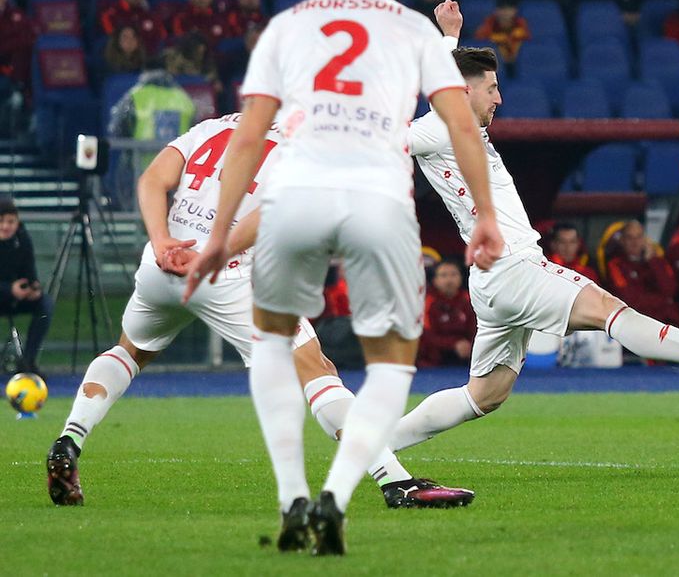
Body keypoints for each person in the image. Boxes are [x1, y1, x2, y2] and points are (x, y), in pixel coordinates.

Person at [184, 0, 504, 556]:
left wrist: (218, 239)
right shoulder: (407, 26)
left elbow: (247, 137)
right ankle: (352, 492)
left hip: (297, 197)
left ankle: (293, 499)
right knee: (388, 363)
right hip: (373, 199)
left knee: (282, 351)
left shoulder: (287, 29)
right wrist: (484, 216)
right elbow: (461, 124)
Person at [387, 4, 679, 490]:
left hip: (496, 279)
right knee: (607, 308)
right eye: (492, 88)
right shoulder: (437, 128)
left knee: (485, 395)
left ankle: (373, 445)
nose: (500, 97)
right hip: (514, 265)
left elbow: (445, 83)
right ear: (467, 90)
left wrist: (449, 38)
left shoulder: (458, 122)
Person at [45, 113, 462, 510]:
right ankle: (395, 481)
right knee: (315, 371)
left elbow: (152, 180)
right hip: (225, 274)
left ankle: (69, 438)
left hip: (163, 263)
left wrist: (161, 243)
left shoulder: (211, 128)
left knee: (129, 352)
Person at [0, 198, 52, 374]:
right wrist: (9, 289)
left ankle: (28, 360)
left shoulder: (22, 238)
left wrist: (32, 288)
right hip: (6, 293)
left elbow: (29, 271)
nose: (5, 227)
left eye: (10, 222)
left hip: (15, 298)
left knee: (45, 304)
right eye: (1, 221)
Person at [606, 220, 679, 330]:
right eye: (630, 238)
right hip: (638, 322)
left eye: (639, 237)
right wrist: (662, 301)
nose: (635, 242)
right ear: (622, 241)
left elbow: (670, 290)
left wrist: (653, 261)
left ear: (645, 239)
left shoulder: (656, 259)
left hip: (669, 320)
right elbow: (630, 299)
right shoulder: (615, 265)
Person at [416, 260, 475, 367]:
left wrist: (469, 345)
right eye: (443, 275)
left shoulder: (470, 299)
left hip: (467, 359)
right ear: (434, 280)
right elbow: (426, 334)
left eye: (453, 274)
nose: (449, 280)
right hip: (432, 363)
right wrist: (453, 344)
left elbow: (478, 329)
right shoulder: (426, 301)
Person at [100, 0, 166, 55]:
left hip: (149, 56)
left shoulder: (149, 13)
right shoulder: (111, 14)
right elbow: (112, 39)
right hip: (121, 56)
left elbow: (162, 35)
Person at [474, 0, 529, 64]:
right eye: (502, 9)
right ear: (496, 11)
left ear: (515, 10)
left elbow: (527, 38)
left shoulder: (520, 22)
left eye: (508, 9)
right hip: (496, 59)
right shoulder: (489, 22)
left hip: (517, 59)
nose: (505, 13)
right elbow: (480, 38)